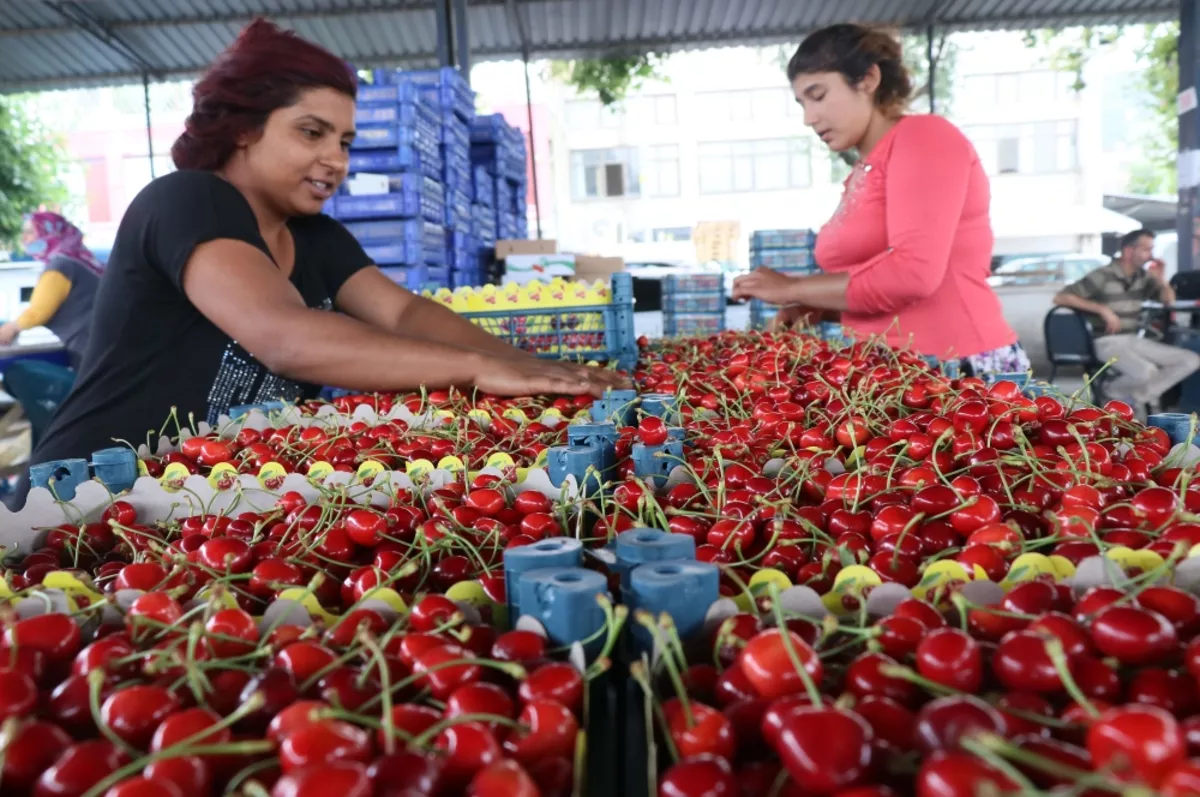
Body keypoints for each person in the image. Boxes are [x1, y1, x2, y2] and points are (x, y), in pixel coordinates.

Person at [18, 19, 626, 502]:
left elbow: (405, 316)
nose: (335, 159)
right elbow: (284, 335)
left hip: (198, 498)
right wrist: (474, 369)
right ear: (242, 130)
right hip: (85, 496)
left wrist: (531, 369)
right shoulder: (187, 201)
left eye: (344, 141)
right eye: (312, 133)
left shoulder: (315, 237)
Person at [732, 24, 1029, 378]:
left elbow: (912, 274)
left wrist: (791, 288)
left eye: (818, 95)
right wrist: (816, 306)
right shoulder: (865, 168)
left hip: (957, 372)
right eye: (802, 103)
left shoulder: (924, 137)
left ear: (868, 79)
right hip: (889, 372)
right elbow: (876, 286)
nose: (809, 118)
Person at [1054, 228, 1200, 410]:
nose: (1151, 255)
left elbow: (1168, 301)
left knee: (1190, 360)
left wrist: (1162, 279)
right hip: (1104, 341)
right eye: (1146, 249)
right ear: (1129, 250)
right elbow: (1061, 297)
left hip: (1132, 339)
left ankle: (1119, 394)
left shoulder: (1143, 277)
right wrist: (1102, 309)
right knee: (1146, 372)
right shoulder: (1103, 275)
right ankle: (1123, 396)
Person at [0, 212, 103, 368]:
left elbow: (38, 312)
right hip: (112, 341)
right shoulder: (83, 260)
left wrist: (11, 328)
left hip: (92, 348)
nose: (24, 238)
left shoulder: (59, 266)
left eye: (30, 232)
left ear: (51, 233)